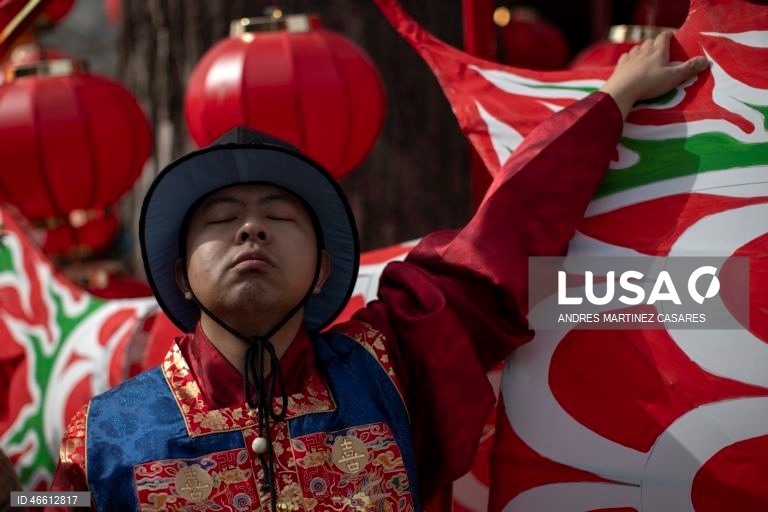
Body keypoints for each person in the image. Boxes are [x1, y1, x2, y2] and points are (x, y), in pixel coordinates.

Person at [49, 32, 708, 511]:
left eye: (279, 215)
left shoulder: (391, 362)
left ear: (322, 269)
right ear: (181, 274)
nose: (251, 228)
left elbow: (502, 237)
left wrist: (612, 101)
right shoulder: (103, 433)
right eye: (221, 218)